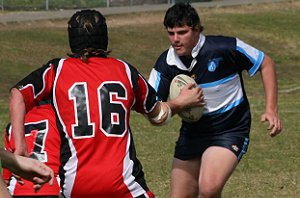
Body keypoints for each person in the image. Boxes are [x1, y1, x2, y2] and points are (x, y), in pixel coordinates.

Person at [9, 9, 203, 198]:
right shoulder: (125, 70)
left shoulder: (56, 70)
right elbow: (159, 115)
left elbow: (17, 94)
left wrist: (20, 146)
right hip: (123, 183)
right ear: (104, 36)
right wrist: (180, 102)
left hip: (76, 186)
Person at [148, 3, 282, 198]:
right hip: (192, 133)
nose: (175, 39)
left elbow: (265, 63)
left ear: (196, 30)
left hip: (230, 129)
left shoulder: (224, 48)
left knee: (209, 188)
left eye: (182, 32)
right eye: (171, 33)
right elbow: (154, 114)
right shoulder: (165, 65)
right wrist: (180, 104)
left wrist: (271, 109)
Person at [2, 101, 61, 198]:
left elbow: (6, 176)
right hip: (52, 186)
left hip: (19, 188)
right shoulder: (60, 120)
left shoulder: (14, 125)